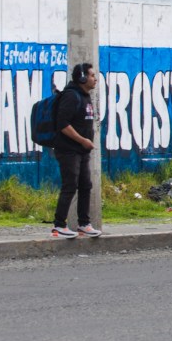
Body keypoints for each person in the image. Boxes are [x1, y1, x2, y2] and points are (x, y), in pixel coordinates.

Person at [51, 62, 102, 239]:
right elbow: (62, 125)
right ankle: (59, 226)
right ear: (82, 77)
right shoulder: (71, 96)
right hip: (68, 150)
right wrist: (83, 140)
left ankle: (84, 224)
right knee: (69, 186)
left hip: (81, 151)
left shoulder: (85, 96)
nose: (95, 79)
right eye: (92, 75)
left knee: (85, 185)